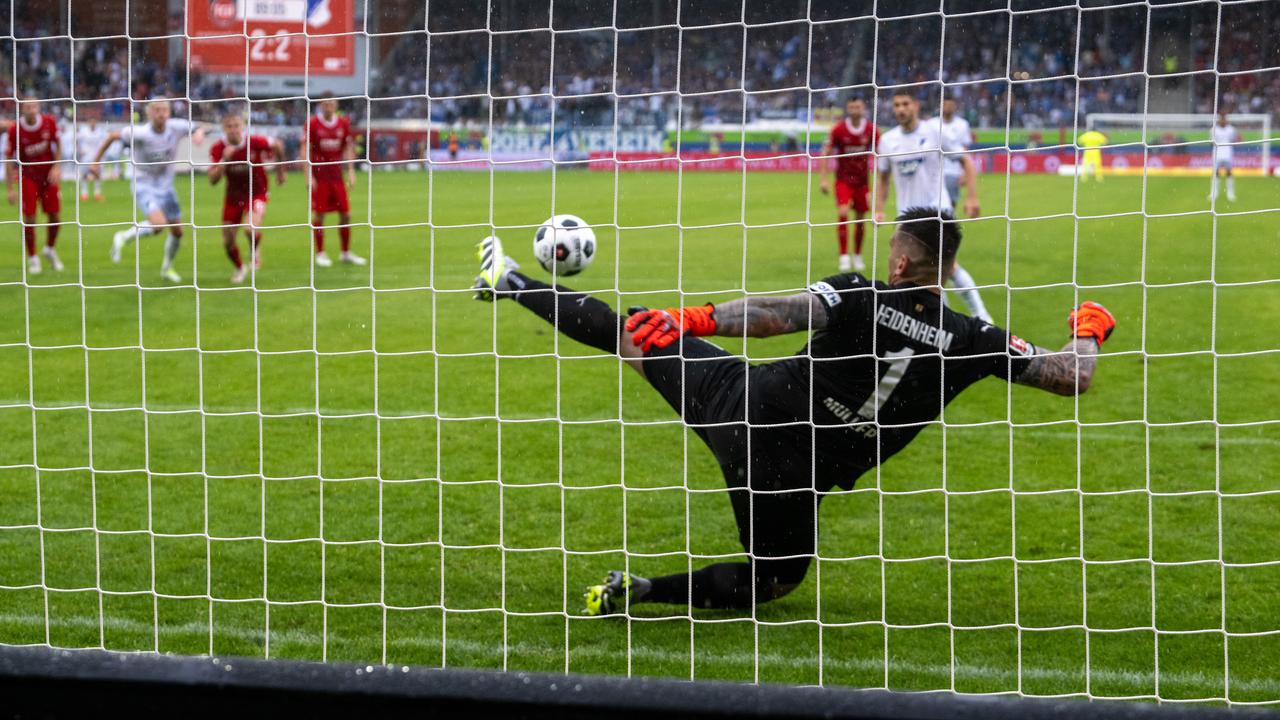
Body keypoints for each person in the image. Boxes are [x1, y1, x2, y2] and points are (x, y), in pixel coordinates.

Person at [470, 210, 1116, 615]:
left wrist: (693, 318)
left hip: (741, 406)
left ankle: (512, 282)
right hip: (793, 479)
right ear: (946, 270)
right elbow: (1072, 377)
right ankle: (644, 591)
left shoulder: (860, 293)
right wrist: (1089, 326)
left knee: (631, 334)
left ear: (898, 260)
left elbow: (776, 313)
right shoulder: (976, 342)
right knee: (773, 583)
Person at [875, 92, 991, 323]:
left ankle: (981, 315)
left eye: (905, 103)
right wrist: (878, 208)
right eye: (896, 105)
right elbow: (883, 177)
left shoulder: (934, 132)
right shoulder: (887, 140)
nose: (901, 109)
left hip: (937, 210)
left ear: (915, 105)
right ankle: (941, 320)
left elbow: (965, 159)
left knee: (946, 267)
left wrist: (972, 197)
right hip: (907, 217)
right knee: (919, 274)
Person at [92, 99, 206, 283]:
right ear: (150, 113)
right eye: (157, 110)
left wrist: (198, 134)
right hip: (143, 185)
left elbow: (197, 127)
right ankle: (123, 236)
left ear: (169, 113)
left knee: (177, 232)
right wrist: (96, 162)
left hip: (166, 187)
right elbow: (113, 136)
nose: (161, 113)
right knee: (158, 225)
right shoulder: (141, 133)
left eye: (165, 110)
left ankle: (166, 268)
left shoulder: (175, 127)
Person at [208, 113, 286, 284]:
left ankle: (254, 251)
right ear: (224, 129)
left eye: (236, 126)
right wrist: (224, 161)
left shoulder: (254, 142)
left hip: (257, 193)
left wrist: (281, 172)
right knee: (228, 243)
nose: (234, 130)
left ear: (242, 127)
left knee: (250, 229)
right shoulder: (218, 148)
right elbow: (212, 180)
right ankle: (240, 267)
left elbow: (278, 146)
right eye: (229, 126)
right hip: (233, 197)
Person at [304, 91, 364, 267]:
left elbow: (347, 147)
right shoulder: (312, 124)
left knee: (346, 214)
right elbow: (304, 149)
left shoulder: (343, 123)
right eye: (325, 103)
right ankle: (320, 253)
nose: (329, 106)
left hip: (337, 177)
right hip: (320, 176)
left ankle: (345, 253)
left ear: (336, 105)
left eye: (332, 103)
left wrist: (351, 171)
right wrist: (308, 176)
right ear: (321, 105)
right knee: (320, 214)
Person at [4, 98, 63, 274]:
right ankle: (33, 258)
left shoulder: (49, 122)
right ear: (22, 109)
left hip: (48, 176)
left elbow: (58, 144)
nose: (31, 110)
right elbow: (8, 159)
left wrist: (57, 166)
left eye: (34, 106)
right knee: (29, 218)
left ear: (39, 108)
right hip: (28, 177)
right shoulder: (15, 130)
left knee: (55, 217)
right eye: (27, 107)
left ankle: (50, 249)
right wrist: (9, 189)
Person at [819, 96, 879, 272]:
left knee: (860, 219)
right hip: (844, 181)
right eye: (851, 107)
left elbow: (881, 155)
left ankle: (857, 255)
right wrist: (823, 179)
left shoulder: (871, 130)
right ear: (848, 109)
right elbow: (826, 153)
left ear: (863, 108)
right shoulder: (838, 130)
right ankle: (844, 255)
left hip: (862, 183)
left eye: (858, 107)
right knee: (843, 212)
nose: (854, 110)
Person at [938, 97, 974, 215]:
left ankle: (947, 226)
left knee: (951, 204)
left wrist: (964, 173)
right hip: (935, 171)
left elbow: (965, 149)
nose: (948, 108)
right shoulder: (932, 124)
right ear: (941, 106)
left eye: (950, 105)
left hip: (953, 171)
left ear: (955, 107)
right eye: (945, 105)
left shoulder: (963, 124)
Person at [76, 116, 108, 202]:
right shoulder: (83, 131)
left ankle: (97, 194)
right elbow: (76, 140)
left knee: (97, 175)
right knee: (84, 175)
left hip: (96, 157)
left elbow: (104, 143)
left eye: (94, 122)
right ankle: (84, 194)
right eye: (91, 122)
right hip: (86, 157)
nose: (92, 123)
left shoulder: (100, 132)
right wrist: (79, 151)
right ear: (88, 122)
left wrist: (101, 155)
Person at [1209, 110, 1238, 202]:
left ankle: (1230, 193)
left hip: (1227, 152)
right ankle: (1214, 193)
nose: (1222, 120)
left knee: (1229, 172)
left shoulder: (1231, 129)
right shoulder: (1213, 129)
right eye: (1221, 118)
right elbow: (1211, 142)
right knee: (1215, 172)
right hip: (1217, 152)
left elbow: (1234, 140)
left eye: (1224, 118)